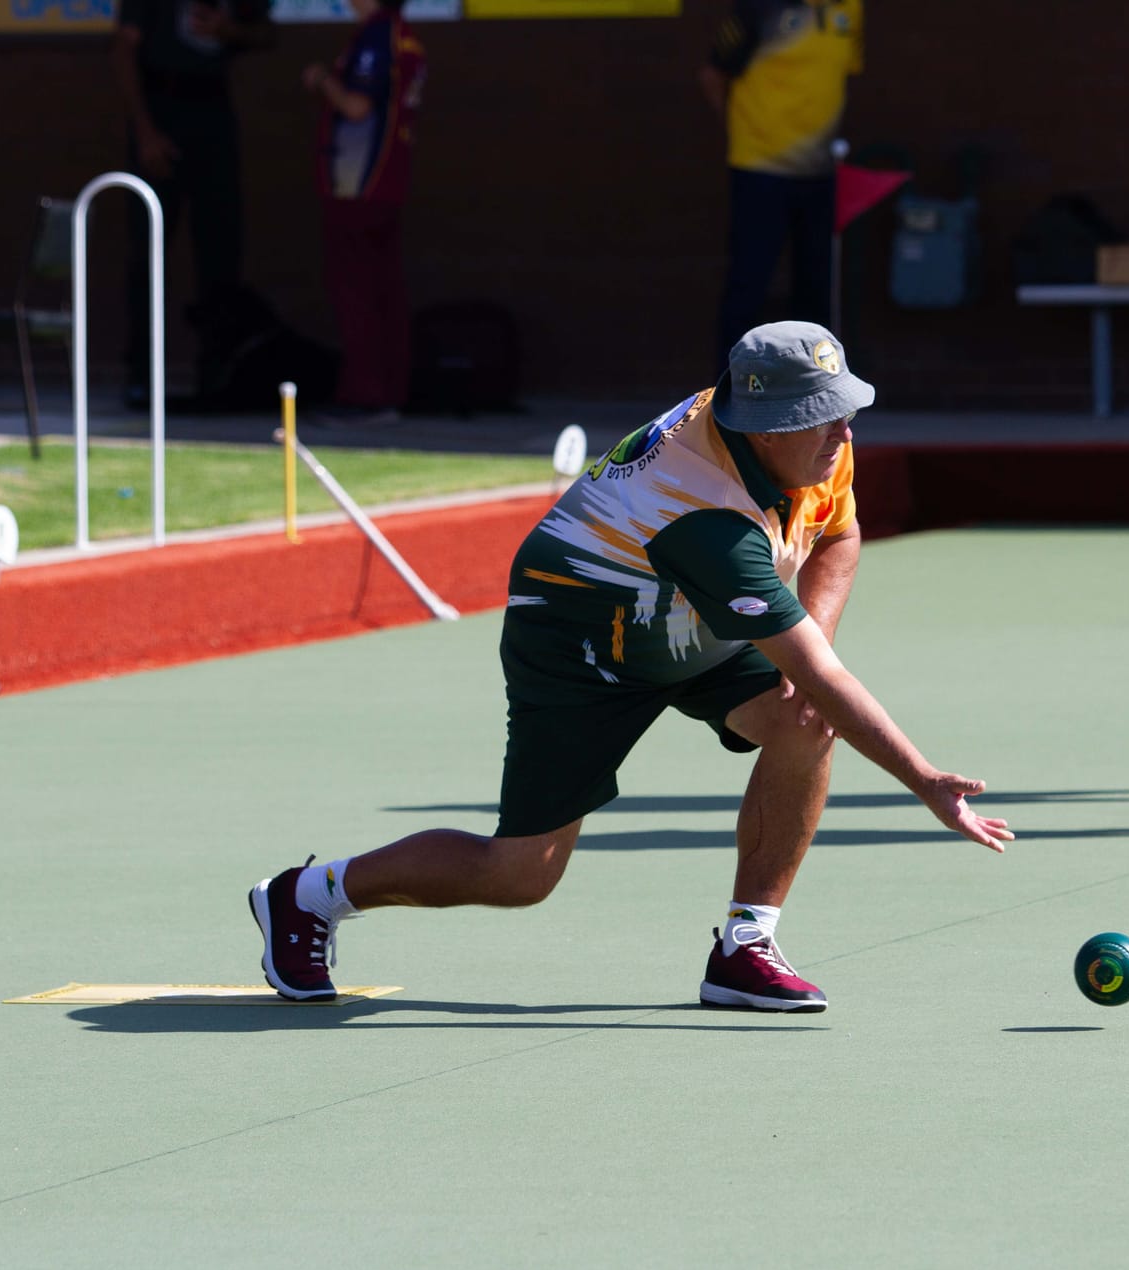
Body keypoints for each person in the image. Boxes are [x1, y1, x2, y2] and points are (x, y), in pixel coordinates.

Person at [248, 322, 1011, 1011]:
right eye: (823, 415)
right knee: (520, 874)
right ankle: (308, 895)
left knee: (805, 717)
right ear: (766, 425)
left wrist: (811, 642)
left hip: (689, 611)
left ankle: (745, 946)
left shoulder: (809, 446)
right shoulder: (704, 513)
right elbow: (825, 674)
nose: (844, 431)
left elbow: (839, 537)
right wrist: (923, 779)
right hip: (580, 639)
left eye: (843, 409)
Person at [112, 0, 274, 408]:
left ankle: (217, 370)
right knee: (147, 249)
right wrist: (144, 131)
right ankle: (141, 371)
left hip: (213, 110)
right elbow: (124, 48)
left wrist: (230, 31)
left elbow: (267, 32)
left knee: (221, 247)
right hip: (160, 106)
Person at [700, 1, 862, 368]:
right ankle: (731, 387)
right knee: (749, 285)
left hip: (821, 170)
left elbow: (840, 74)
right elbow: (713, 76)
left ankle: (815, 389)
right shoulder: (759, 6)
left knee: (817, 290)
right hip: (760, 168)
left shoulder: (850, 6)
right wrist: (745, 132)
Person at [304, 0, 426, 425]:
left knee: (356, 290)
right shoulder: (400, 34)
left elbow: (357, 106)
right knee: (382, 289)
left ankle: (365, 396)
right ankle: (388, 393)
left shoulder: (380, 35)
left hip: (360, 184)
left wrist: (322, 79)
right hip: (384, 182)